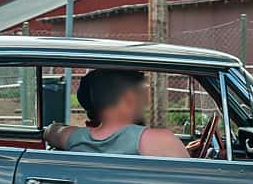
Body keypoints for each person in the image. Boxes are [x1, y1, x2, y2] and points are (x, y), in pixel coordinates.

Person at [43, 68, 189, 158]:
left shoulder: (75, 138)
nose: (145, 103)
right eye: (142, 96)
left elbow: (50, 131)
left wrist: (90, 128)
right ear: (129, 99)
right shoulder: (162, 140)